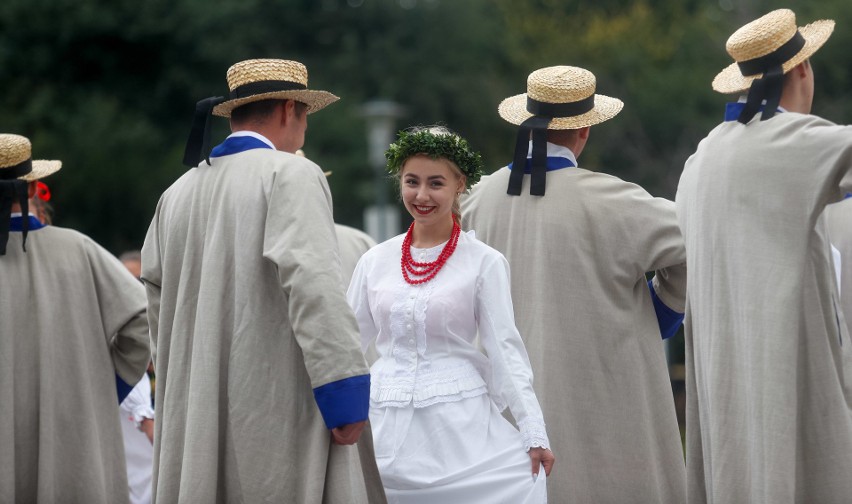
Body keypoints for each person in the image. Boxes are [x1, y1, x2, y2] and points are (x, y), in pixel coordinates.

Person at [141, 58, 384, 504]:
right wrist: (344, 390)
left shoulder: (173, 194)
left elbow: (154, 301)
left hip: (195, 407)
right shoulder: (291, 172)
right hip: (276, 400)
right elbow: (314, 284)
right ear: (290, 109)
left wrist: (186, 383)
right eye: (307, 116)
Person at [461, 66, 688, 503]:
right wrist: (663, 310)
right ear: (584, 128)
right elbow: (694, 241)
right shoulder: (615, 200)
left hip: (504, 411)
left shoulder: (475, 200)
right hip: (604, 398)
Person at [675, 9, 852, 502]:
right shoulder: (792, 140)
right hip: (786, 365)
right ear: (802, 69)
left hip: (724, 381)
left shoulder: (701, 158)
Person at [347, 126, 555, 503]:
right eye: (412, 181)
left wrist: (533, 431)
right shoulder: (375, 260)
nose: (422, 195)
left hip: (459, 430)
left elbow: (505, 349)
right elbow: (347, 345)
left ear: (460, 184)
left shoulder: (484, 262)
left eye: (436, 183)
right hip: (381, 419)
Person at [0, 133, 150, 503]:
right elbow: (143, 321)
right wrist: (103, 388)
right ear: (34, 188)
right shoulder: (78, 250)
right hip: (72, 434)